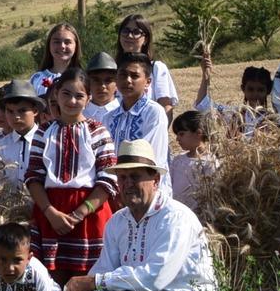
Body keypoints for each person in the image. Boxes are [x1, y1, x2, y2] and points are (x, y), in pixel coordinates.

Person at [65, 139, 218, 291]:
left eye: (135, 177)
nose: (127, 184)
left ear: (155, 180)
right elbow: (104, 268)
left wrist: (95, 282)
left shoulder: (176, 217)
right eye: (122, 178)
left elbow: (155, 277)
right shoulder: (117, 222)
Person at [25, 66, 118, 291]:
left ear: (88, 98)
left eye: (79, 96)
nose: (72, 101)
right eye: (66, 94)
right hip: (50, 212)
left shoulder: (98, 131)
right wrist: (50, 212)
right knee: (51, 285)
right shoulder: (43, 132)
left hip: (89, 214)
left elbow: (108, 179)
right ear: (56, 93)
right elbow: (33, 177)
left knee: (85, 284)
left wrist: (78, 214)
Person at [108, 53, 176, 202]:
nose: (128, 80)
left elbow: (149, 158)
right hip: (115, 193)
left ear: (147, 82)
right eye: (123, 75)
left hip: (149, 195)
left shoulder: (154, 113)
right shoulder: (110, 117)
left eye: (134, 76)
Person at [115, 15, 178, 115]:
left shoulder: (156, 68)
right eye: (125, 31)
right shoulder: (111, 69)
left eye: (136, 32)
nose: (129, 36)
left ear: (145, 39)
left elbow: (165, 106)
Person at [168, 110, 219, 207]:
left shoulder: (210, 163)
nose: (177, 139)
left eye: (181, 134)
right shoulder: (177, 160)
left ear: (198, 133)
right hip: (176, 212)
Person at [30, 23, 83, 97]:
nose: (62, 46)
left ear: (76, 46)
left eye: (67, 42)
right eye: (57, 42)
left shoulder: (84, 79)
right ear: (49, 45)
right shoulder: (36, 79)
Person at [81, 53, 121, 125]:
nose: (102, 86)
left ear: (117, 84)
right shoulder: (80, 114)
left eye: (108, 80)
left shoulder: (124, 112)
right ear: (88, 83)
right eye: (96, 80)